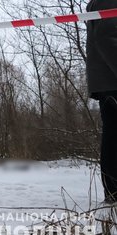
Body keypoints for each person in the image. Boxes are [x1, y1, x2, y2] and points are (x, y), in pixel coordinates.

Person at [86, 0, 117, 204]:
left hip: (107, 80)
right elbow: (106, 39)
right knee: (114, 137)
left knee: (114, 135)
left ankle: (113, 192)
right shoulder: (108, 0)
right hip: (112, 81)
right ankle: (114, 192)